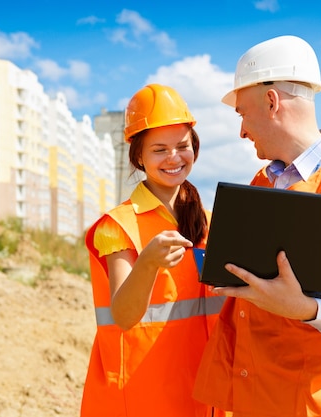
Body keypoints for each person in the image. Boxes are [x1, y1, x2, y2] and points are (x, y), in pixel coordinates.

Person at [192, 35, 321, 417]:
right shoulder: (260, 184)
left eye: (242, 114)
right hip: (259, 399)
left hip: (315, 406)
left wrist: (303, 308)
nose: (241, 131)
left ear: (271, 103)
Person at [80, 84, 226, 417]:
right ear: (138, 157)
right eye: (159, 149)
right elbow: (125, 316)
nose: (174, 158)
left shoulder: (209, 222)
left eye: (183, 146)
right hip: (141, 395)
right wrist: (147, 264)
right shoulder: (118, 226)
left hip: (204, 392)